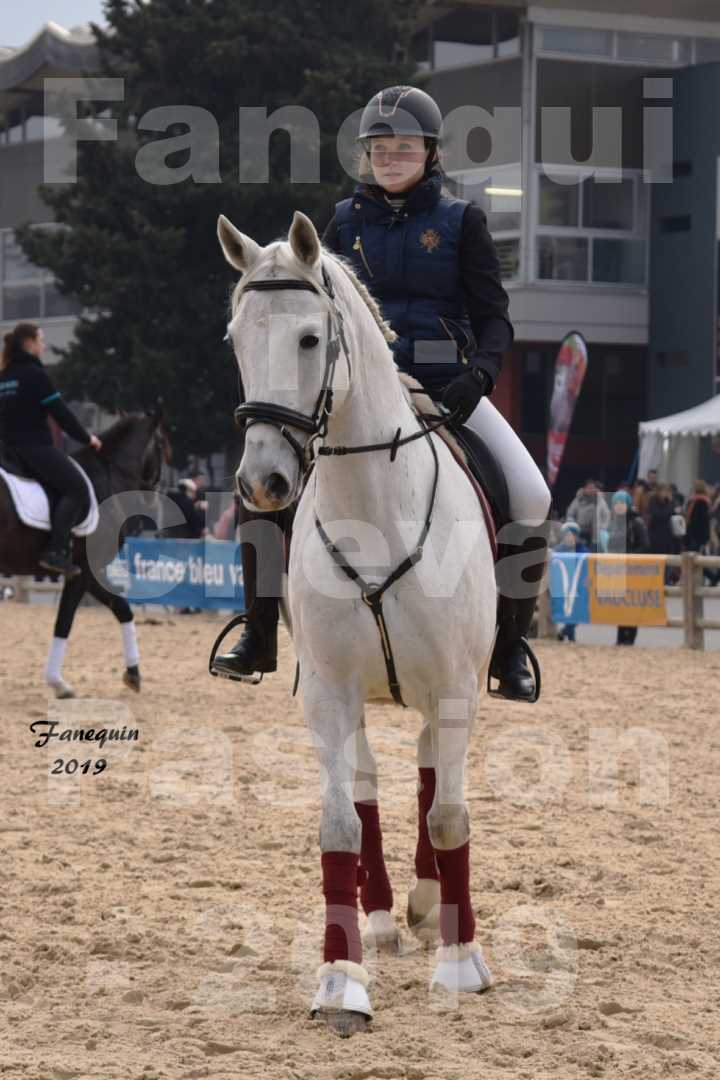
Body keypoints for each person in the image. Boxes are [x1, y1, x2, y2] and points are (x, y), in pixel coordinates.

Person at [213, 85, 551, 702]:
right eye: (379, 148)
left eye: (403, 147)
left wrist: (479, 375)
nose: (390, 158)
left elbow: (495, 317)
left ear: (429, 153)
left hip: (448, 389)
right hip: (359, 389)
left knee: (530, 494)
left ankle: (508, 648)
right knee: (261, 497)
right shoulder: (344, 222)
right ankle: (258, 633)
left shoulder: (462, 222)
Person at [0, 322, 102, 576]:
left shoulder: (3, 378)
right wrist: (87, 439)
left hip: (7, 451)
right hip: (34, 448)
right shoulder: (36, 375)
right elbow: (61, 415)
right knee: (76, 487)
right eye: (41, 341)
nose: (44, 346)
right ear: (30, 344)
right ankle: (56, 551)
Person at [608, 490, 648, 646]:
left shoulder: (636, 522)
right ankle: (620, 637)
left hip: (633, 569)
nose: (619, 506)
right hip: (617, 569)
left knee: (632, 603)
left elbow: (645, 545)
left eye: (622, 503)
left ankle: (630, 637)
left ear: (628, 504)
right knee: (620, 603)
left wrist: (628, 556)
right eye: (616, 503)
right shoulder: (614, 523)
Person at [553, 521, 589, 642]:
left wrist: (586, 580)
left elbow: (588, 566)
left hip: (579, 586)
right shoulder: (558, 550)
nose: (570, 537)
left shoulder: (583, 550)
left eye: (573, 534)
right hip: (564, 586)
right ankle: (570, 637)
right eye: (567, 534)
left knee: (577, 612)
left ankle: (565, 632)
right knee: (568, 612)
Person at [566, 479, 610, 550]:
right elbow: (570, 514)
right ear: (584, 489)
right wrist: (573, 525)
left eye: (592, 488)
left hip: (596, 532)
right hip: (580, 531)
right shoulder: (578, 500)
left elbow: (607, 515)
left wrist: (603, 527)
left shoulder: (600, 500)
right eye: (589, 488)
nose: (591, 490)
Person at [685, 479, 711, 553]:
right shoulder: (703, 501)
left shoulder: (692, 500)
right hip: (700, 535)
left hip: (691, 533)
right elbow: (705, 520)